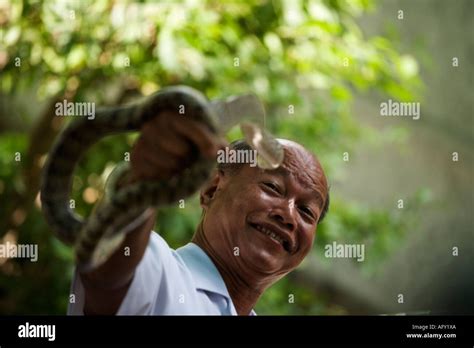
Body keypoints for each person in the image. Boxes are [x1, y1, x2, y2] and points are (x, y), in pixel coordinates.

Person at [68, 110, 329, 315]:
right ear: (213, 188)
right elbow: (107, 275)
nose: (288, 214)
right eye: (272, 187)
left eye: (306, 211)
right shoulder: (156, 268)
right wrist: (143, 179)